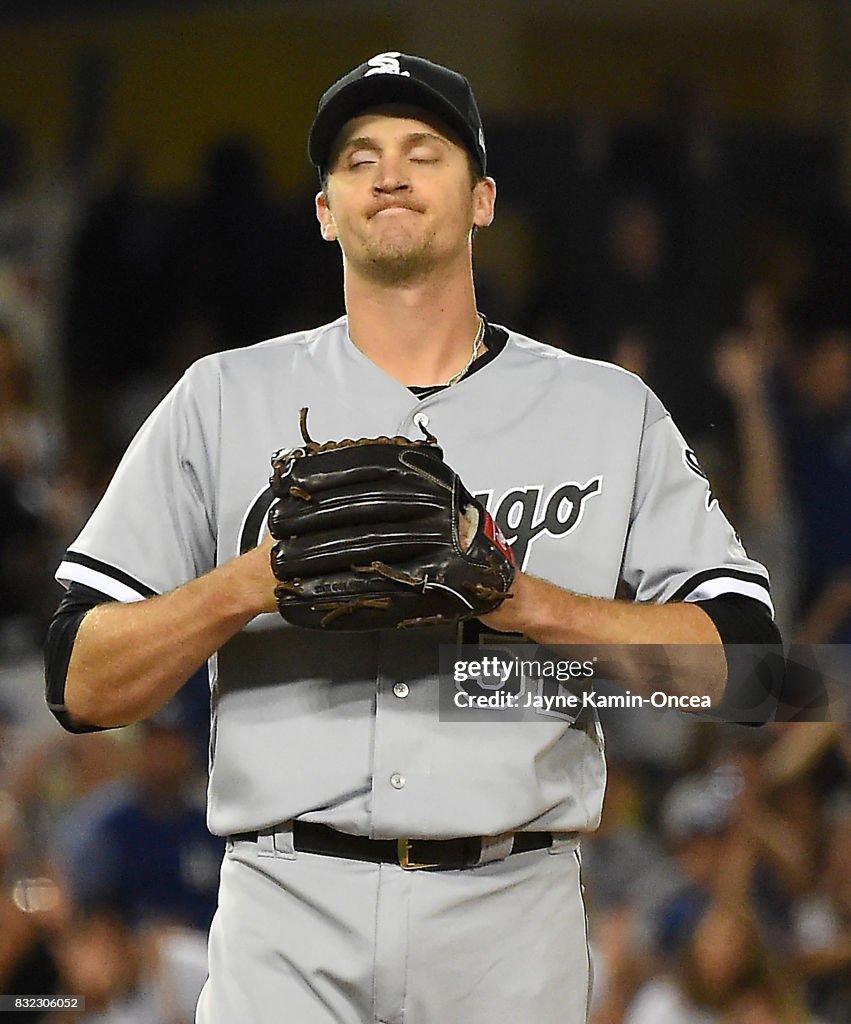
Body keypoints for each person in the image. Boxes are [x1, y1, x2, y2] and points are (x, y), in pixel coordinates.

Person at [45, 52, 782, 1024]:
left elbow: (752, 672)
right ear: (323, 210)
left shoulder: (608, 411)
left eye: (420, 151)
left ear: (481, 199)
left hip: (508, 919)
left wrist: (531, 604)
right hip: (286, 906)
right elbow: (79, 679)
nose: (386, 172)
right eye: (357, 157)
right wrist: (250, 584)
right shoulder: (222, 400)